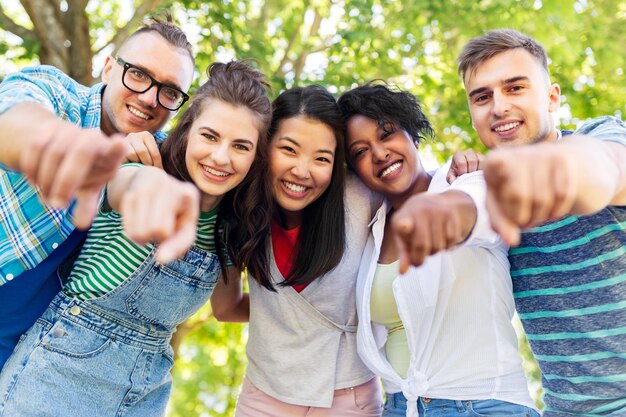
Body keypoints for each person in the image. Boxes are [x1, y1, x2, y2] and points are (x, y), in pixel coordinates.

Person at [0, 60, 272, 417]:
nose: (220, 157)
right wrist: (147, 185)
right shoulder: (141, 170)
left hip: (146, 387)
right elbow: (123, 187)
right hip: (59, 367)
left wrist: (301, 310)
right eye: (210, 136)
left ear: (256, 157)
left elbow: (228, 308)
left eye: (241, 146)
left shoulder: (230, 229)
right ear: (187, 132)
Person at [444, 29, 626, 416]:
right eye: (482, 97)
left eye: (515, 88)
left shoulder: (602, 136)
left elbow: (609, 167)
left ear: (552, 97)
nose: (498, 107)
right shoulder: (489, 190)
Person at [0, 17, 196, 368]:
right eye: (137, 73)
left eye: (169, 92)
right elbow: (13, 122)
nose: (149, 98)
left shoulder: (166, 159)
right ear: (108, 68)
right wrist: (64, 145)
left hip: (21, 366)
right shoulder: (54, 92)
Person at [337, 83, 540, 417]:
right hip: (400, 406)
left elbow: (473, 211)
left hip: (483, 405)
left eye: (387, 134)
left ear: (412, 134)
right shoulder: (371, 230)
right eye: (360, 151)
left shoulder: (465, 181)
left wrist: (440, 212)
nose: (379, 153)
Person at [212, 85, 384, 416]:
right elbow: (225, 309)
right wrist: (275, 312)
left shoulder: (363, 199)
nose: (302, 171)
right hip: (265, 394)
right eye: (289, 150)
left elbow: (422, 191)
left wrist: (464, 170)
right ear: (266, 146)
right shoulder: (238, 210)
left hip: (349, 394)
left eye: (322, 158)